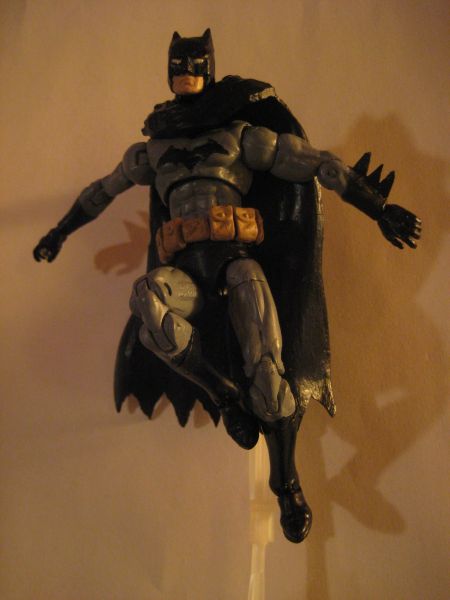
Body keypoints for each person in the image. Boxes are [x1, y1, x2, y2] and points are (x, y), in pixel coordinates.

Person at [34, 29, 421, 543]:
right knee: (146, 301)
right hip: (184, 274)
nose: (185, 71)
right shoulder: (152, 151)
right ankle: (224, 396)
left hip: (236, 262)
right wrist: (59, 233)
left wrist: (379, 208)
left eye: (194, 62)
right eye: (178, 63)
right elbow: (100, 192)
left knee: (269, 371)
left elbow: (317, 164)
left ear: (209, 67)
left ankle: (287, 485)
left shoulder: (241, 138)